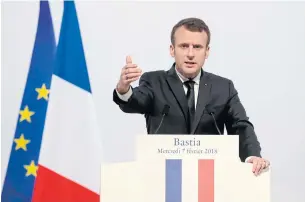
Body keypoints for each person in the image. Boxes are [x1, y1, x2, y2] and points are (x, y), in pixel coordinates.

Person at [113, 17, 270, 175]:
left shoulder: (223, 87)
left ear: (207, 51)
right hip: (164, 176)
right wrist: (124, 88)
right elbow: (136, 101)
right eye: (183, 46)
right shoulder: (154, 81)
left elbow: (240, 125)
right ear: (172, 50)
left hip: (208, 178)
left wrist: (253, 156)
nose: (190, 54)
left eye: (197, 47)